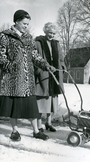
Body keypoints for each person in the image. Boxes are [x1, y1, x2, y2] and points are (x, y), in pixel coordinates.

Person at [0, 9, 56, 141]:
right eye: (24, 24)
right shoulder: (5, 36)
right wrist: (11, 66)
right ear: (17, 21)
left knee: (31, 107)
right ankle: (14, 131)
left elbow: (35, 56)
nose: (26, 26)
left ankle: (36, 131)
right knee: (14, 107)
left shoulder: (29, 38)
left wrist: (46, 65)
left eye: (27, 24)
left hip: (27, 78)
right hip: (12, 79)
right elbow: (1, 57)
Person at [35, 22, 66, 132]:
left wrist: (62, 68)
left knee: (52, 101)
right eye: (49, 33)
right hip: (43, 75)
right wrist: (39, 71)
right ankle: (39, 125)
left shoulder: (56, 44)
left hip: (55, 75)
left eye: (53, 33)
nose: (51, 35)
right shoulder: (38, 42)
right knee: (41, 100)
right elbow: (35, 58)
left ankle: (49, 122)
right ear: (45, 32)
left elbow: (61, 59)